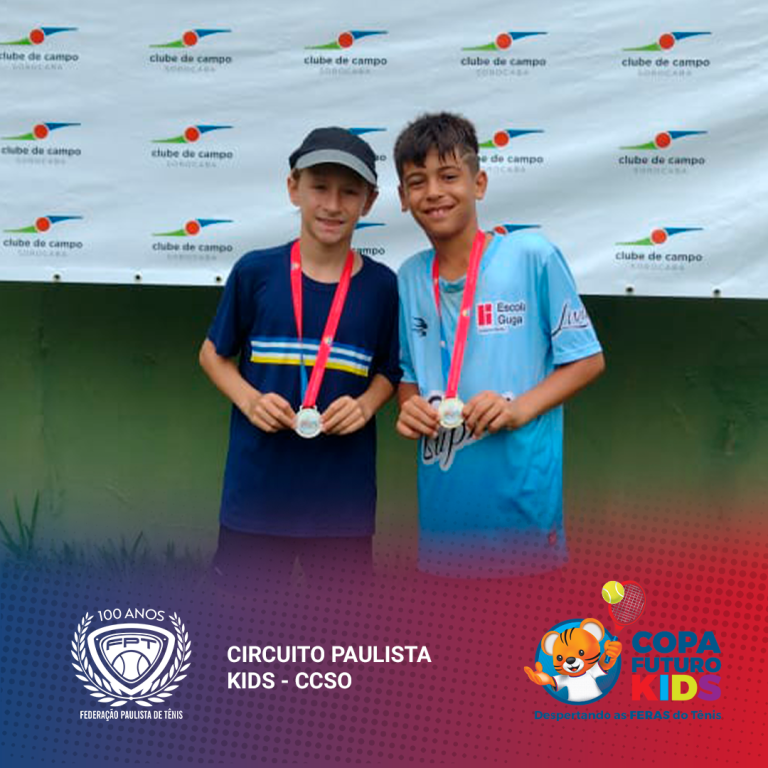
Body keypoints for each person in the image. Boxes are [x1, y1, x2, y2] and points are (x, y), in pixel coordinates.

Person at [393, 112, 605, 579]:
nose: (434, 192)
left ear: (479, 183)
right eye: (417, 182)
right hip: (443, 528)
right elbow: (408, 375)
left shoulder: (533, 256)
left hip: (524, 520)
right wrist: (409, 407)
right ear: (403, 198)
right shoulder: (409, 276)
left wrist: (517, 410)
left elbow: (587, 360)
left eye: (449, 176)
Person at [199, 127, 400, 588]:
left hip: (342, 505)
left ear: (369, 202)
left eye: (349, 192)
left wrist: (366, 405)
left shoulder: (382, 287)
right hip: (256, 497)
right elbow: (212, 354)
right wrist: (250, 400)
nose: (332, 204)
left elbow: (390, 370)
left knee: (343, 623)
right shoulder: (255, 272)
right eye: (319, 187)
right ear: (293, 188)